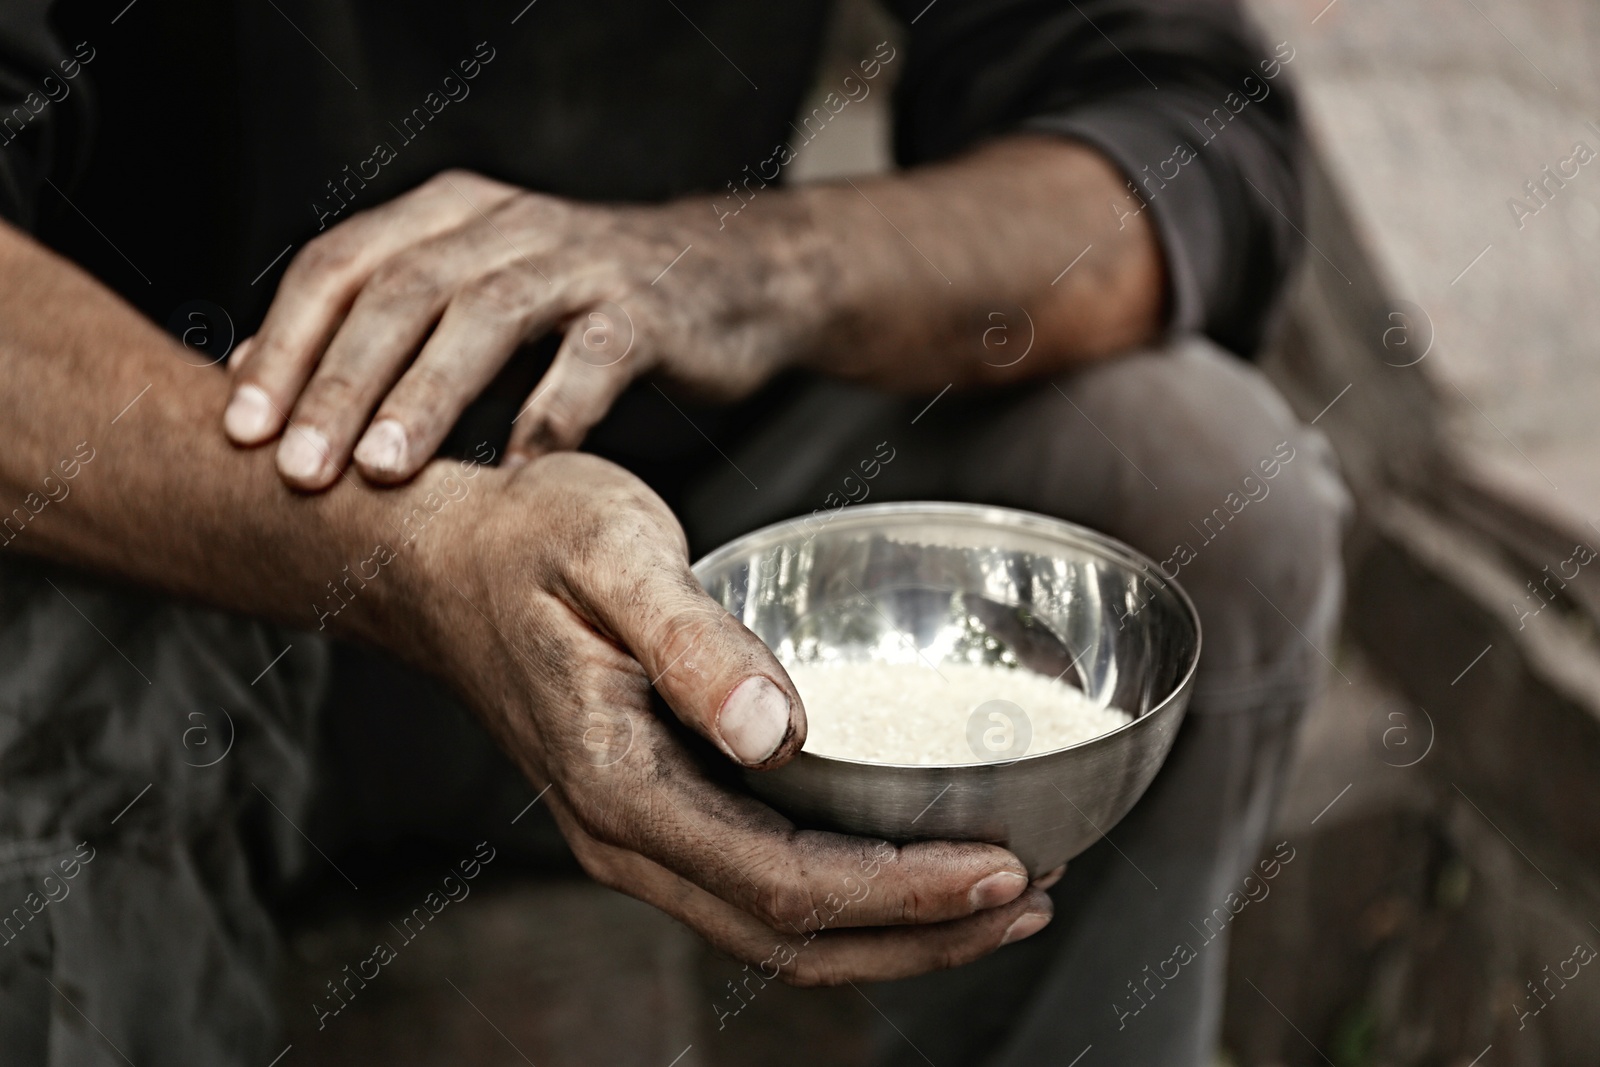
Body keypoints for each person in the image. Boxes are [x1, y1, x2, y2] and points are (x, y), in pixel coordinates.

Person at [0, 0, 1348, 1063]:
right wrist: (413, 542)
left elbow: (1183, 121)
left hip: (679, 518)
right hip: (148, 535)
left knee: (1191, 474)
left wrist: (749, 265)